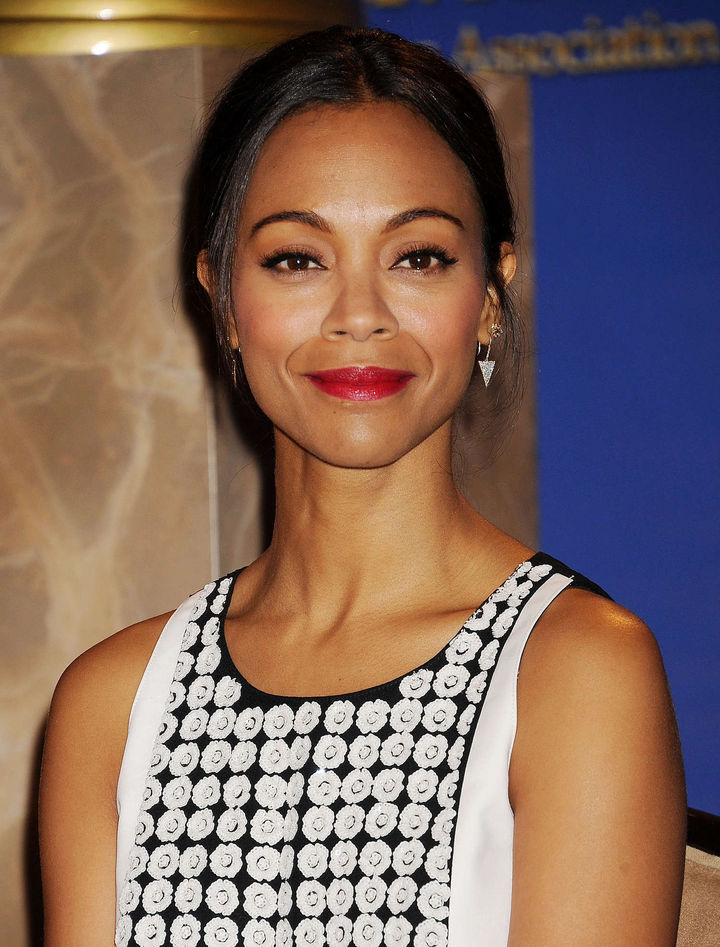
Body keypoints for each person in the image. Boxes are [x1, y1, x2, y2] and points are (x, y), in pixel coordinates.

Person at [39, 26, 686, 947]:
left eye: (417, 256)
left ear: (490, 294)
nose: (359, 316)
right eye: (296, 258)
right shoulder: (115, 702)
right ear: (222, 296)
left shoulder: (575, 671)